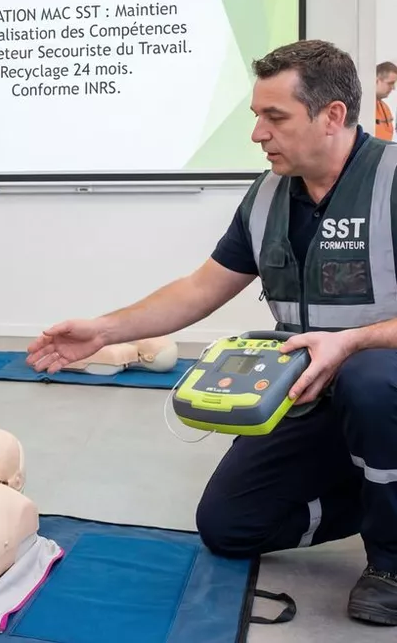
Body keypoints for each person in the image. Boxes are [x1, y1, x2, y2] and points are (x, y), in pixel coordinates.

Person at [26, 40, 397, 627]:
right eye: (256, 115)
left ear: (331, 116)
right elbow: (200, 289)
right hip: (306, 394)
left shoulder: (393, 180)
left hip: (382, 387)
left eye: (274, 117)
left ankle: (391, 563)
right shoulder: (267, 196)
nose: (257, 133)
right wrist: (103, 330)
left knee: (372, 379)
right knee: (229, 526)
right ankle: (378, 498)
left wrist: (351, 341)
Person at [376, 61, 395, 142]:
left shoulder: (385, 107)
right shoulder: (362, 107)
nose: (393, 88)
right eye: (390, 83)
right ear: (377, 81)